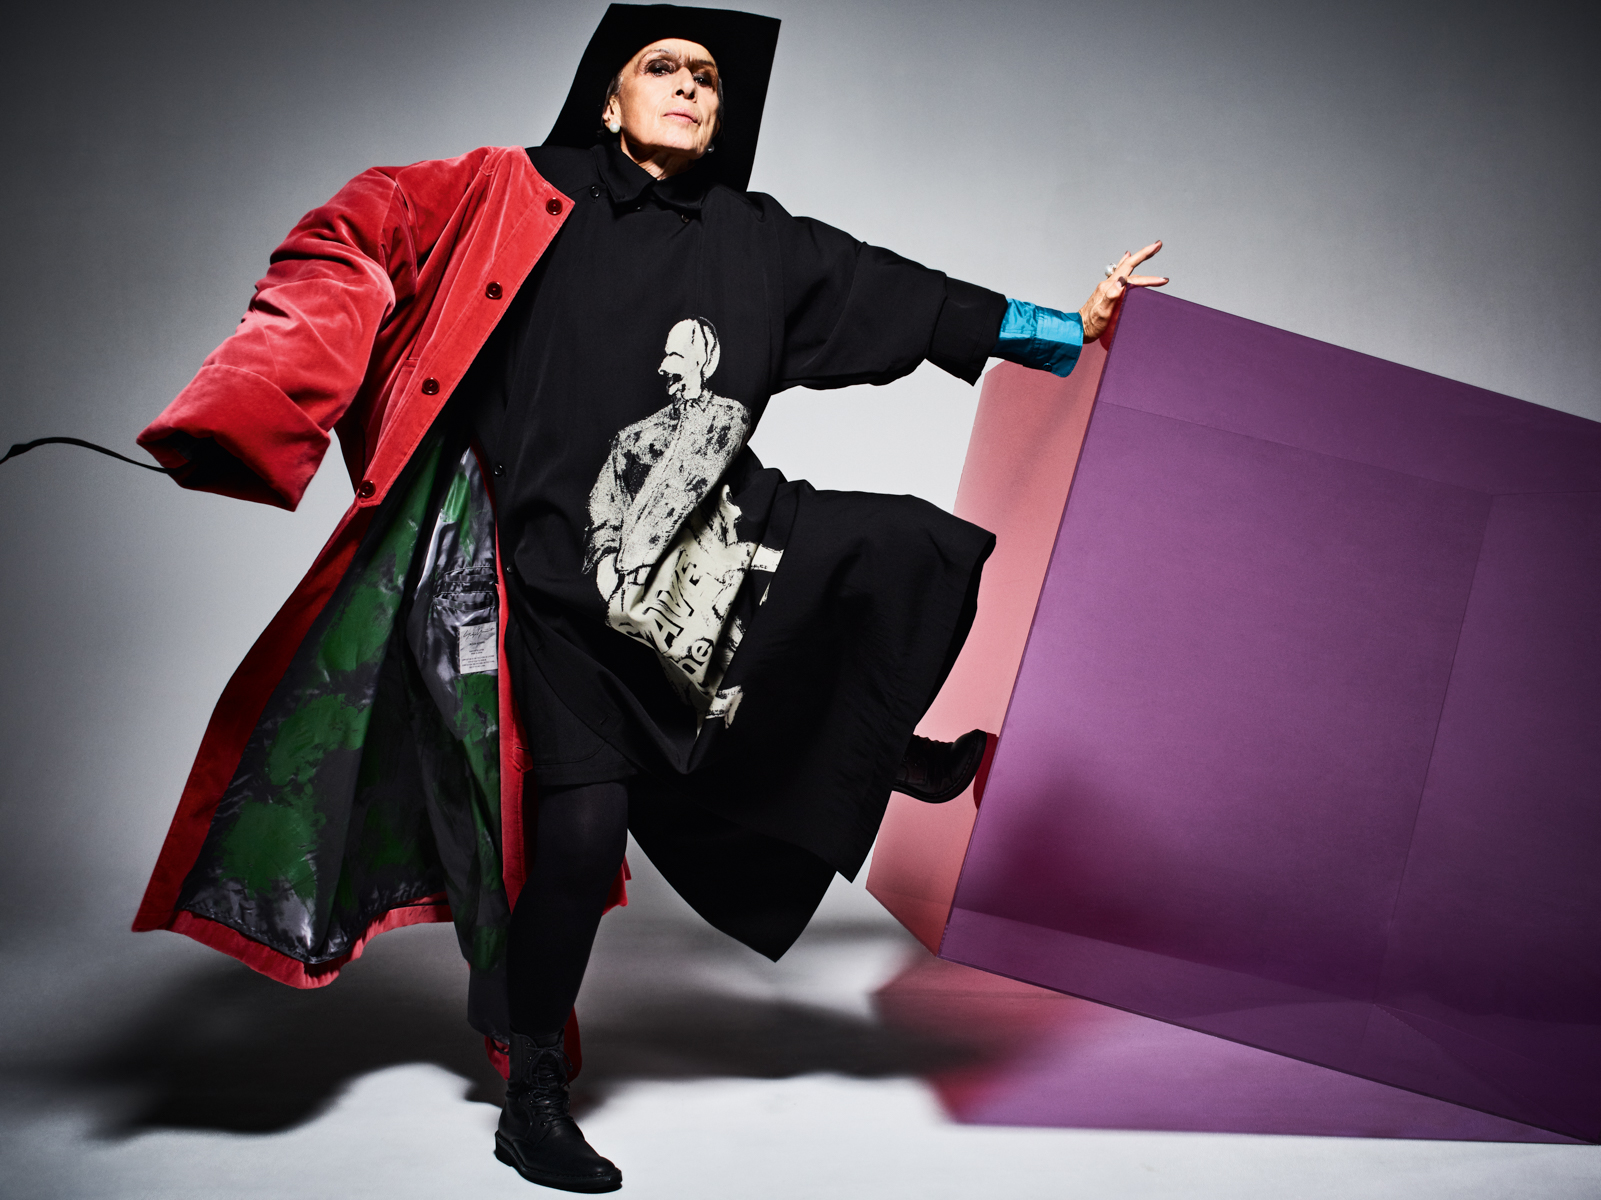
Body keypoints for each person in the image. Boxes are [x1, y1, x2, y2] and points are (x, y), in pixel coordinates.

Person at [128, 5, 1165, 1193]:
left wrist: (1063, 328)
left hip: (711, 551)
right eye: (660, 67)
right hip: (551, 594)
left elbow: (908, 299)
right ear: (608, 96)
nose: (686, 87)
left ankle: (880, 751)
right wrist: (264, 387)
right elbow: (357, 231)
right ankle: (531, 1099)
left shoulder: (754, 241)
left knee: (902, 548)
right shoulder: (512, 193)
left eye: (706, 78)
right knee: (575, 843)